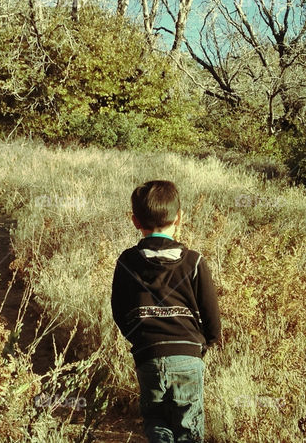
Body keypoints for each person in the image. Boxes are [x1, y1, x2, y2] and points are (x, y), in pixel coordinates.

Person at [111, 180, 221, 443]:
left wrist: (140, 339)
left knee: (155, 420)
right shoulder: (194, 261)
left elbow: (119, 310)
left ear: (135, 221)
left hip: (147, 356)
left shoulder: (127, 261)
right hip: (188, 357)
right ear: (180, 217)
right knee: (189, 427)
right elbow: (210, 312)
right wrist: (208, 341)